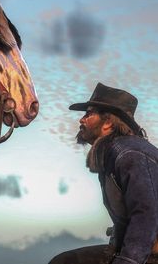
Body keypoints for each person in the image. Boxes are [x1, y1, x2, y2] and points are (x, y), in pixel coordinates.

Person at [48, 82, 158, 264]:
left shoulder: (130, 153)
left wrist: (126, 261)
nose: (81, 120)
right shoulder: (112, 153)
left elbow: (146, 216)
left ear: (107, 123)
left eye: (88, 114)